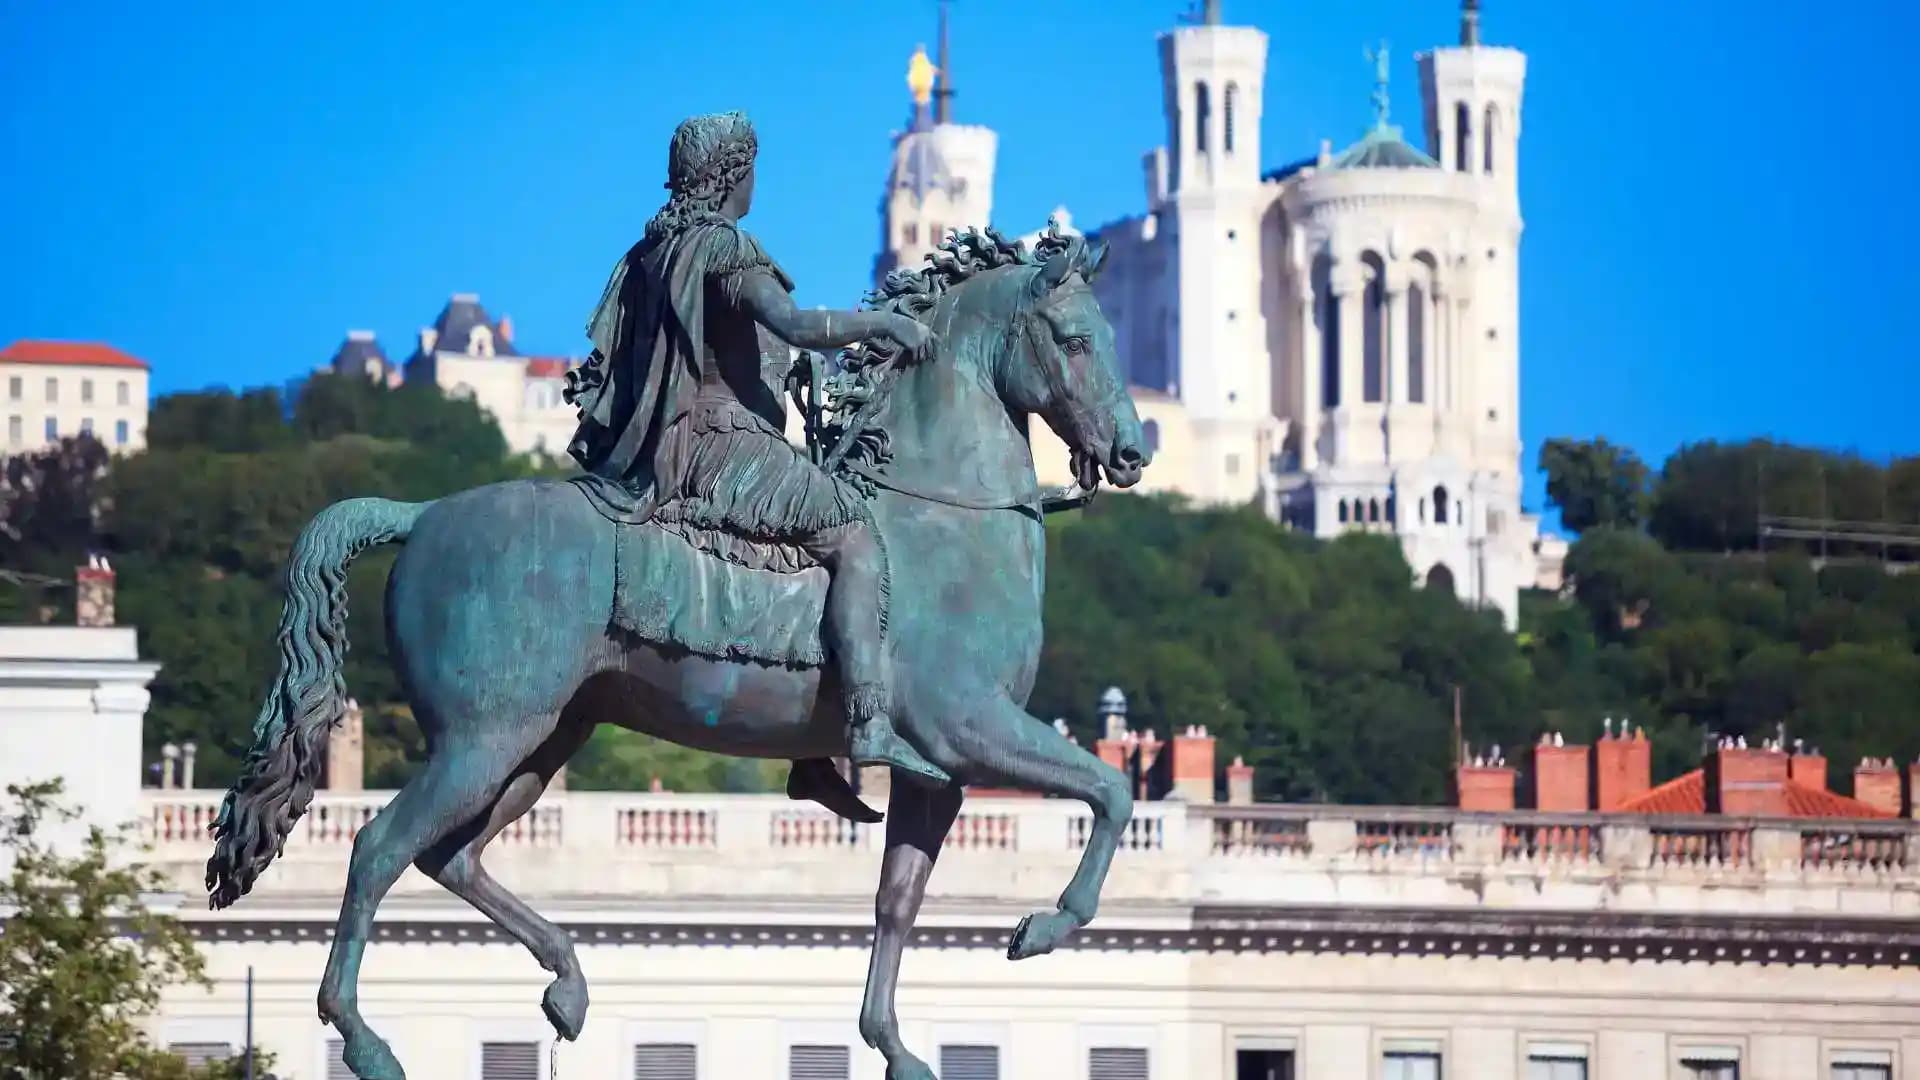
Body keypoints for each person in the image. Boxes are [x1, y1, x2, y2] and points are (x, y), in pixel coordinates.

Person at [564, 111, 947, 786]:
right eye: (752, 171)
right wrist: (886, 321)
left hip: (666, 443)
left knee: (803, 548)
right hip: (720, 442)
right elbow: (795, 325)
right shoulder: (720, 249)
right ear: (733, 175)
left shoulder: (651, 249)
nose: (755, 185)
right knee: (855, 537)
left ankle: (811, 749)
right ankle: (866, 720)